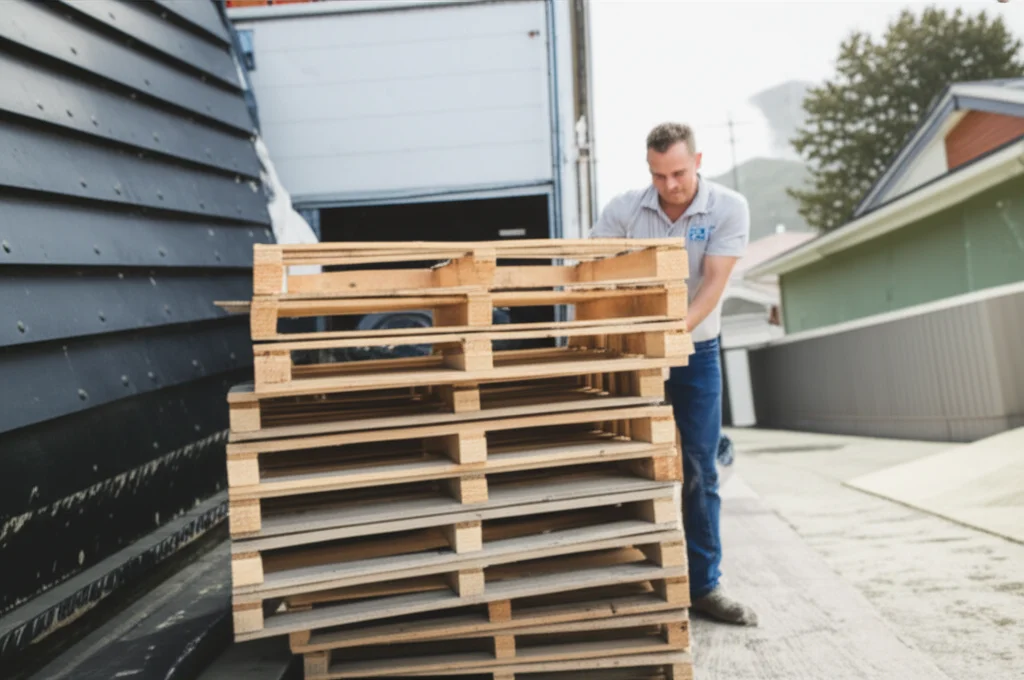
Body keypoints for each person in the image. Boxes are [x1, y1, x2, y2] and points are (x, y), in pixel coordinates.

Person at [589, 122, 758, 626]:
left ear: (698, 161)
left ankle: (705, 585)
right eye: (658, 175)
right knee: (630, 460)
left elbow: (712, 285)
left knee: (700, 466)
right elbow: (594, 271)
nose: (670, 186)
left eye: (679, 173)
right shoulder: (624, 210)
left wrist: (670, 333)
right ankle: (636, 578)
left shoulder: (729, 207)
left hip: (696, 352)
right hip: (635, 355)